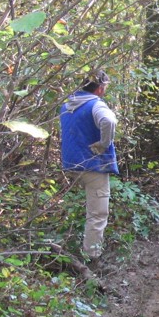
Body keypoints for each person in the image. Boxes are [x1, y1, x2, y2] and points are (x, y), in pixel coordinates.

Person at [60, 70, 118, 261]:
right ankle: (91, 258)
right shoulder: (95, 105)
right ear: (100, 88)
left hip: (70, 164)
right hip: (92, 166)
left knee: (84, 206)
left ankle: (68, 240)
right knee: (98, 214)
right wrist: (103, 144)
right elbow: (109, 120)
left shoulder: (67, 104)